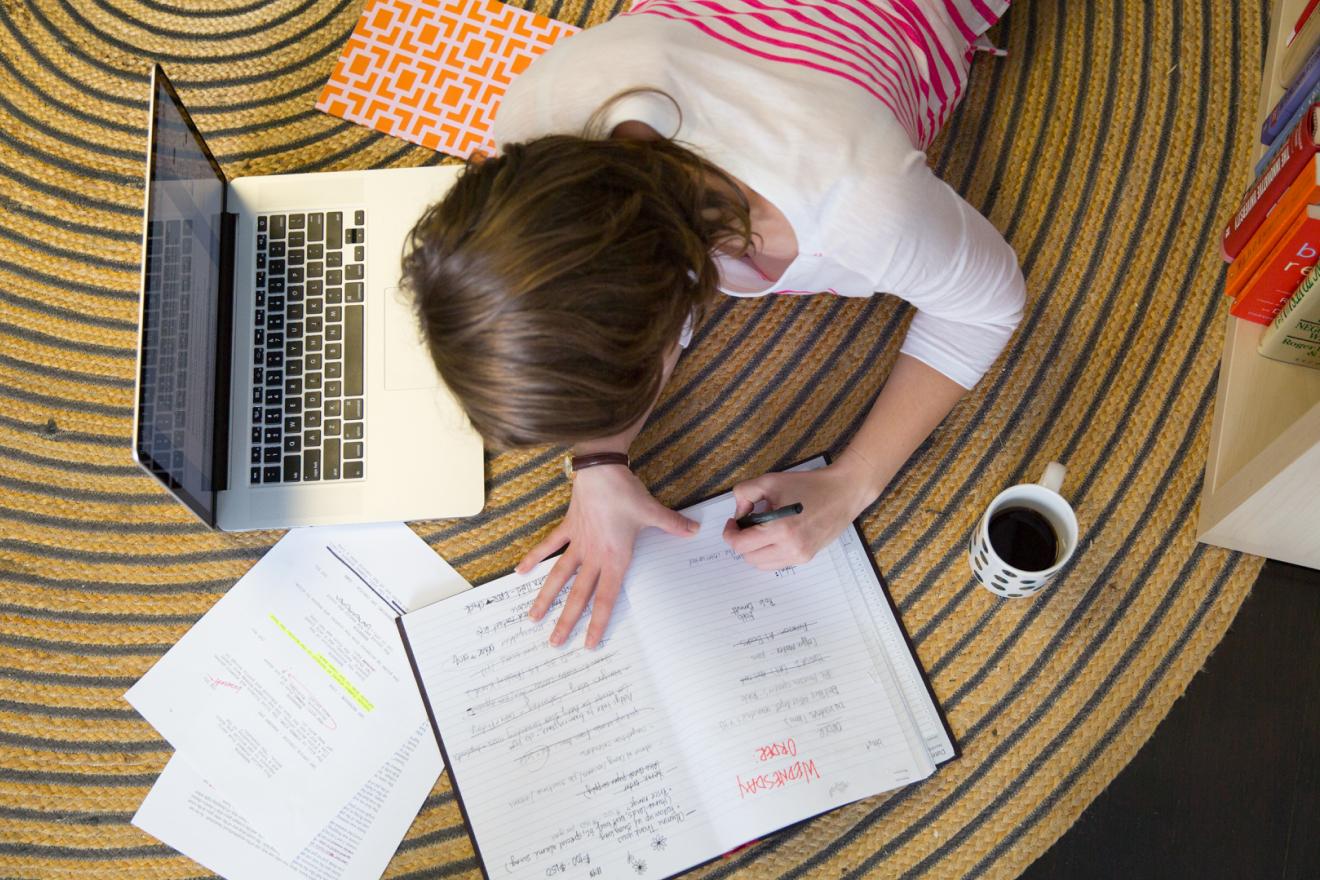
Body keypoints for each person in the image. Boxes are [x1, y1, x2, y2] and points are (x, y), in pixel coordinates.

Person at [403, 0, 1025, 650]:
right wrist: (599, 459)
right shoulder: (532, 114)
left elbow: (988, 304)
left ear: (682, 305)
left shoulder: (862, 210)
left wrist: (853, 481)